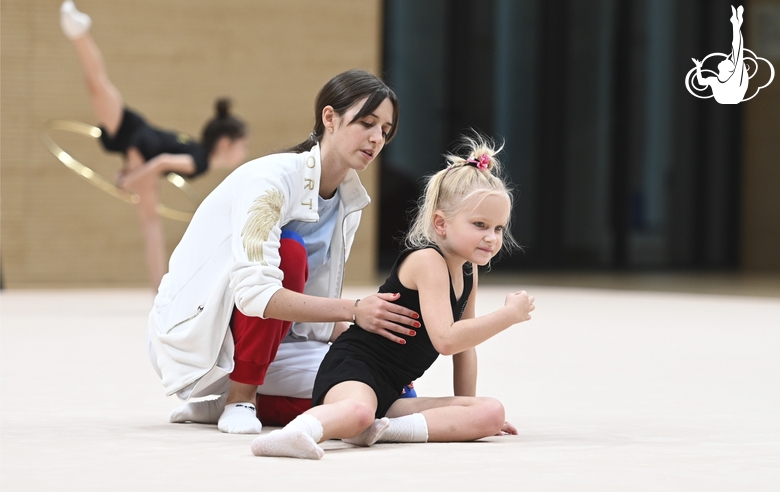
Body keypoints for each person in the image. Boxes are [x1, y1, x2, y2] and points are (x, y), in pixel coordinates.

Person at [146, 67, 421, 435]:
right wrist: (355, 311)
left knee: (371, 390)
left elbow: (310, 303)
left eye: (385, 131)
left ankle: (221, 403)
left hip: (278, 339)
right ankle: (240, 397)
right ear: (330, 118)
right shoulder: (270, 182)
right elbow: (255, 292)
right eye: (367, 123)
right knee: (288, 253)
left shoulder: (349, 200)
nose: (376, 139)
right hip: (201, 331)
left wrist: (365, 344)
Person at [250, 135, 536, 460]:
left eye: (498, 228)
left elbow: (465, 348)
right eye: (480, 225)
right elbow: (446, 340)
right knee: (357, 412)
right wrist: (509, 315)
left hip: (394, 389)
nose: (491, 237)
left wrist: (466, 409)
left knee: (490, 412)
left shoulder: (468, 271)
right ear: (440, 223)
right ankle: (298, 432)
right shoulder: (428, 261)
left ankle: (381, 430)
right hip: (355, 370)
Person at [59, 1, 249, 289]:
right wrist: (130, 179)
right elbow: (161, 163)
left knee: (97, 86)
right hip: (142, 144)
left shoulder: (197, 153)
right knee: (97, 85)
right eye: (242, 146)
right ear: (224, 143)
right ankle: (78, 31)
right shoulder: (199, 160)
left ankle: (79, 33)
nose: (244, 153)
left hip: (139, 141)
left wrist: (130, 177)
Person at [692, 6, 748, 104]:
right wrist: (698, 67)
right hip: (730, 98)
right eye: (728, 60)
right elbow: (701, 82)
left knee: (737, 50)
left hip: (731, 97)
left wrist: (698, 67)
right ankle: (736, 23)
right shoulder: (717, 80)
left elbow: (737, 49)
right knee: (737, 51)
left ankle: (736, 23)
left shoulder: (729, 78)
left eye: (727, 61)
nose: (725, 59)